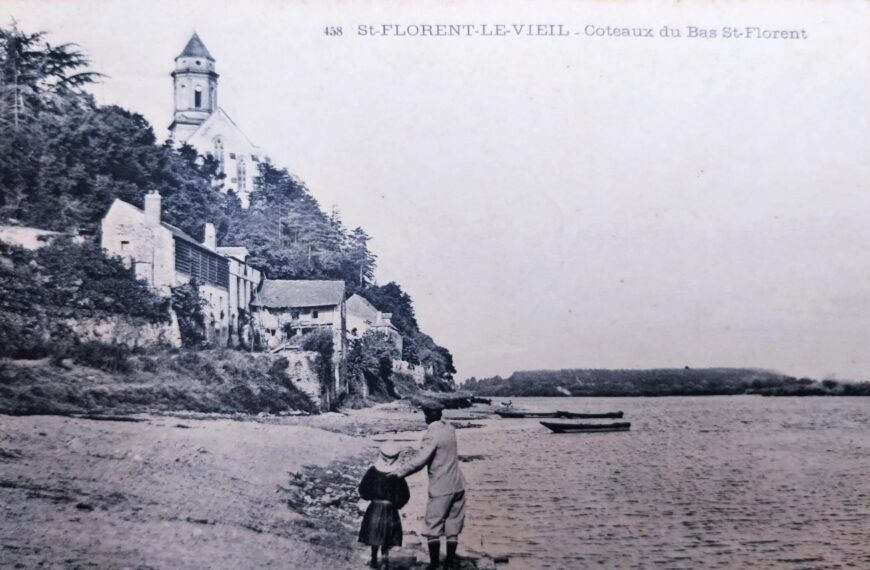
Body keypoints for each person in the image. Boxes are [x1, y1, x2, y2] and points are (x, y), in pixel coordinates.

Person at [391, 402, 466, 570]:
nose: (424, 417)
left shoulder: (432, 434)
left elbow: (420, 461)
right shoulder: (450, 429)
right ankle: (450, 563)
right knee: (452, 526)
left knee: (433, 527)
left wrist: (398, 473)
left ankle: (433, 565)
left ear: (430, 415)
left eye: (425, 414)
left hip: (441, 487)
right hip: (458, 484)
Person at [358, 441, 411, 569]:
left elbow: (363, 490)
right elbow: (405, 494)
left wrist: (371, 497)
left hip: (375, 507)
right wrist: (397, 505)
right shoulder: (398, 474)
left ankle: (374, 559)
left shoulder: (372, 471)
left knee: (374, 535)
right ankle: (385, 560)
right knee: (388, 536)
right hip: (390, 508)